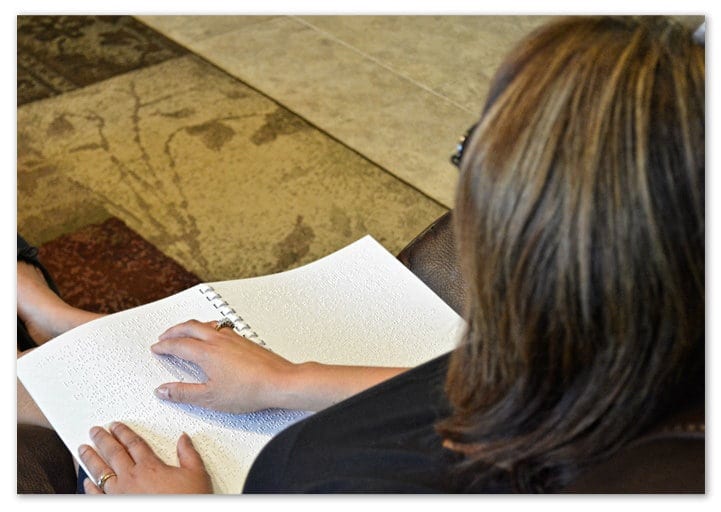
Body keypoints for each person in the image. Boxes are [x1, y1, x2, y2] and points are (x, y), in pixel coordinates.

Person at [17, 15, 704, 493]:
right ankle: (61, 322)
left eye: (474, 158)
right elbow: (506, 403)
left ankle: (50, 331)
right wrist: (289, 380)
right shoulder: (622, 362)